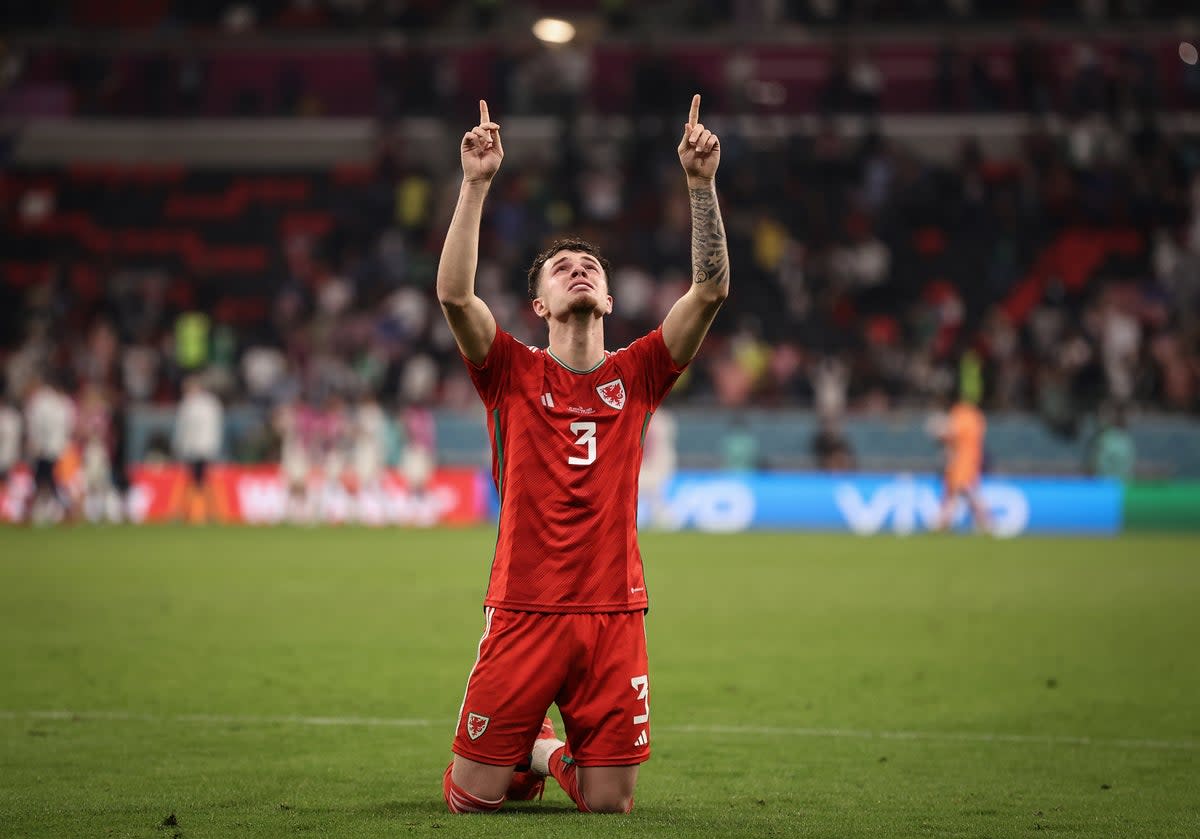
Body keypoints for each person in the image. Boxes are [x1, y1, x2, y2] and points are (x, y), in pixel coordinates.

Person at [435, 95, 728, 815]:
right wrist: (474, 184)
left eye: (589, 264)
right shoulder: (509, 371)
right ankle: (525, 746)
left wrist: (700, 185)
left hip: (613, 614)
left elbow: (711, 288)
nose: (578, 269)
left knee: (609, 805)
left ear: (609, 294)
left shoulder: (640, 373)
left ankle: (534, 750)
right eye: (561, 266)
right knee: (472, 798)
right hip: (524, 610)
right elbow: (453, 294)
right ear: (537, 304)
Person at [931, 395, 991, 533]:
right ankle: (943, 522)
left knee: (962, 490)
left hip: (964, 461)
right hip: (966, 460)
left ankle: (942, 522)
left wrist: (938, 431)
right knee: (961, 491)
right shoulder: (975, 415)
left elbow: (952, 433)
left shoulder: (963, 414)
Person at [24, 373, 76, 524]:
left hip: (45, 448)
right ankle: (65, 510)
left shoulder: (41, 401)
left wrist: (36, 443)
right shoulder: (63, 403)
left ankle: (65, 509)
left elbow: (37, 425)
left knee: (45, 479)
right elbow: (68, 426)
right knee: (45, 479)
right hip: (56, 447)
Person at [172, 374, 223, 523]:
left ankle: (198, 512)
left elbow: (184, 429)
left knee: (198, 481)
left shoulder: (196, 404)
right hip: (200, 448)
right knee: (197, 481)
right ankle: (204, 513)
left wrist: (180, 446)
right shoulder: (206, 403)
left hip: (198, 448)